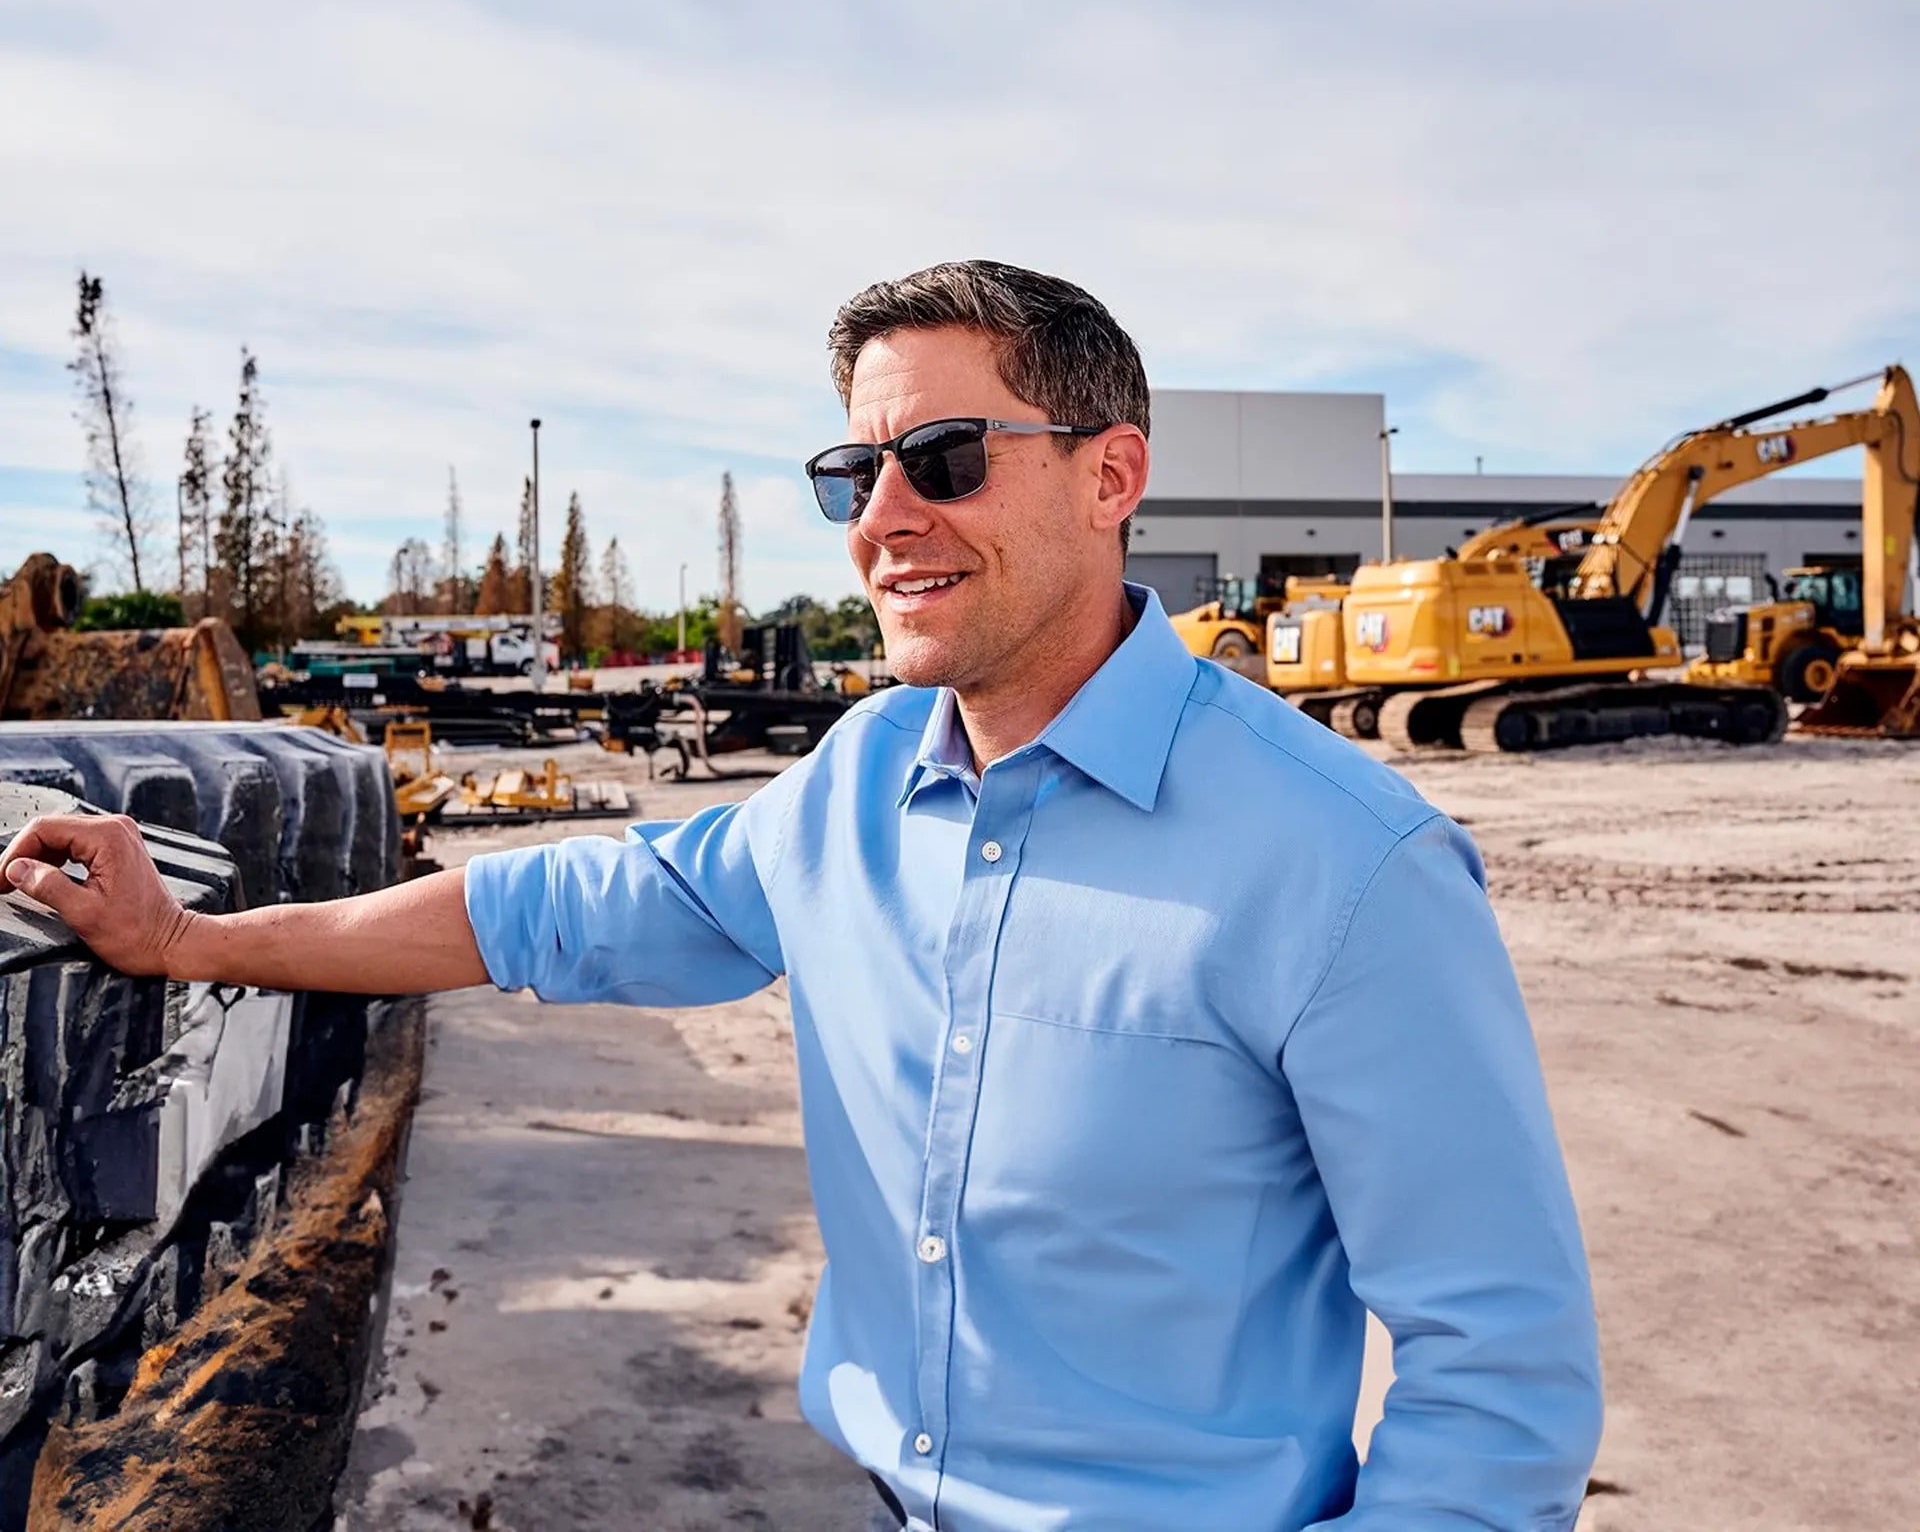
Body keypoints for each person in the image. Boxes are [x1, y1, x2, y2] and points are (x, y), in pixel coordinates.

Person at [3, 262, 1602, 1531]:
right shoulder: (858, 779)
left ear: (1113, 475)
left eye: (945, 459)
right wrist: (191, 939)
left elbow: (1501, 1382)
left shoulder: (1345, 865)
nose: (886, 519)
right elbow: (545, 913)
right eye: (855, 473)